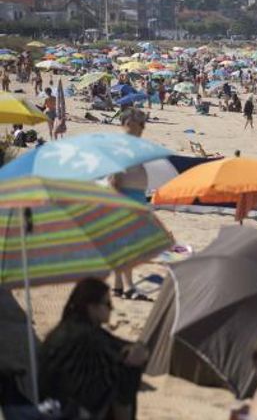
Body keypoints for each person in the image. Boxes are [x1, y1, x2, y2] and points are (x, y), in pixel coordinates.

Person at [39, 278, 148, 419]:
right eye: (107, 303)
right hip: (76, 411)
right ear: (91, 307)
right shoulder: (88, 338)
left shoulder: (62, 330)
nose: (112, 308)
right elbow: (121, 355)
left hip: (51, 408)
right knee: (126, 372)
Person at [108, 109, 151, 301]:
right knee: (128, 246)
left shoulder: (132, 144)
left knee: (123, 245)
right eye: (140, 122)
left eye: (143, 123)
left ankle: (118, 285)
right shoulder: (123, 145)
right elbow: (114, 176)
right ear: (128, 123)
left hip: (134, 196)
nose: (143, 127)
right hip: (125, 198)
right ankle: (129, 286)